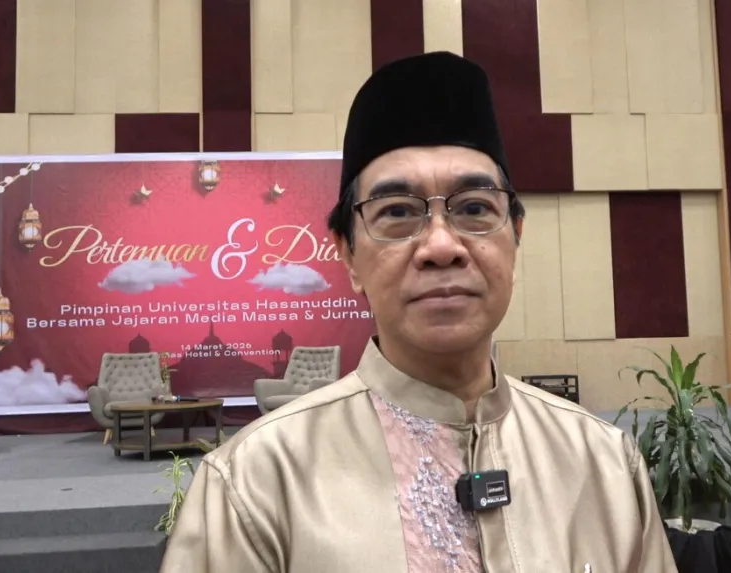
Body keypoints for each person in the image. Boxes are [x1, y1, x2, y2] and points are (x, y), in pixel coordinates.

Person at [160, 51, 677, 573]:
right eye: (398, 212)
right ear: (348, 255)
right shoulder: (256, 484)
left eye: (474, 208)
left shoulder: (604, 465)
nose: (441, 246)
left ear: (516, 237)